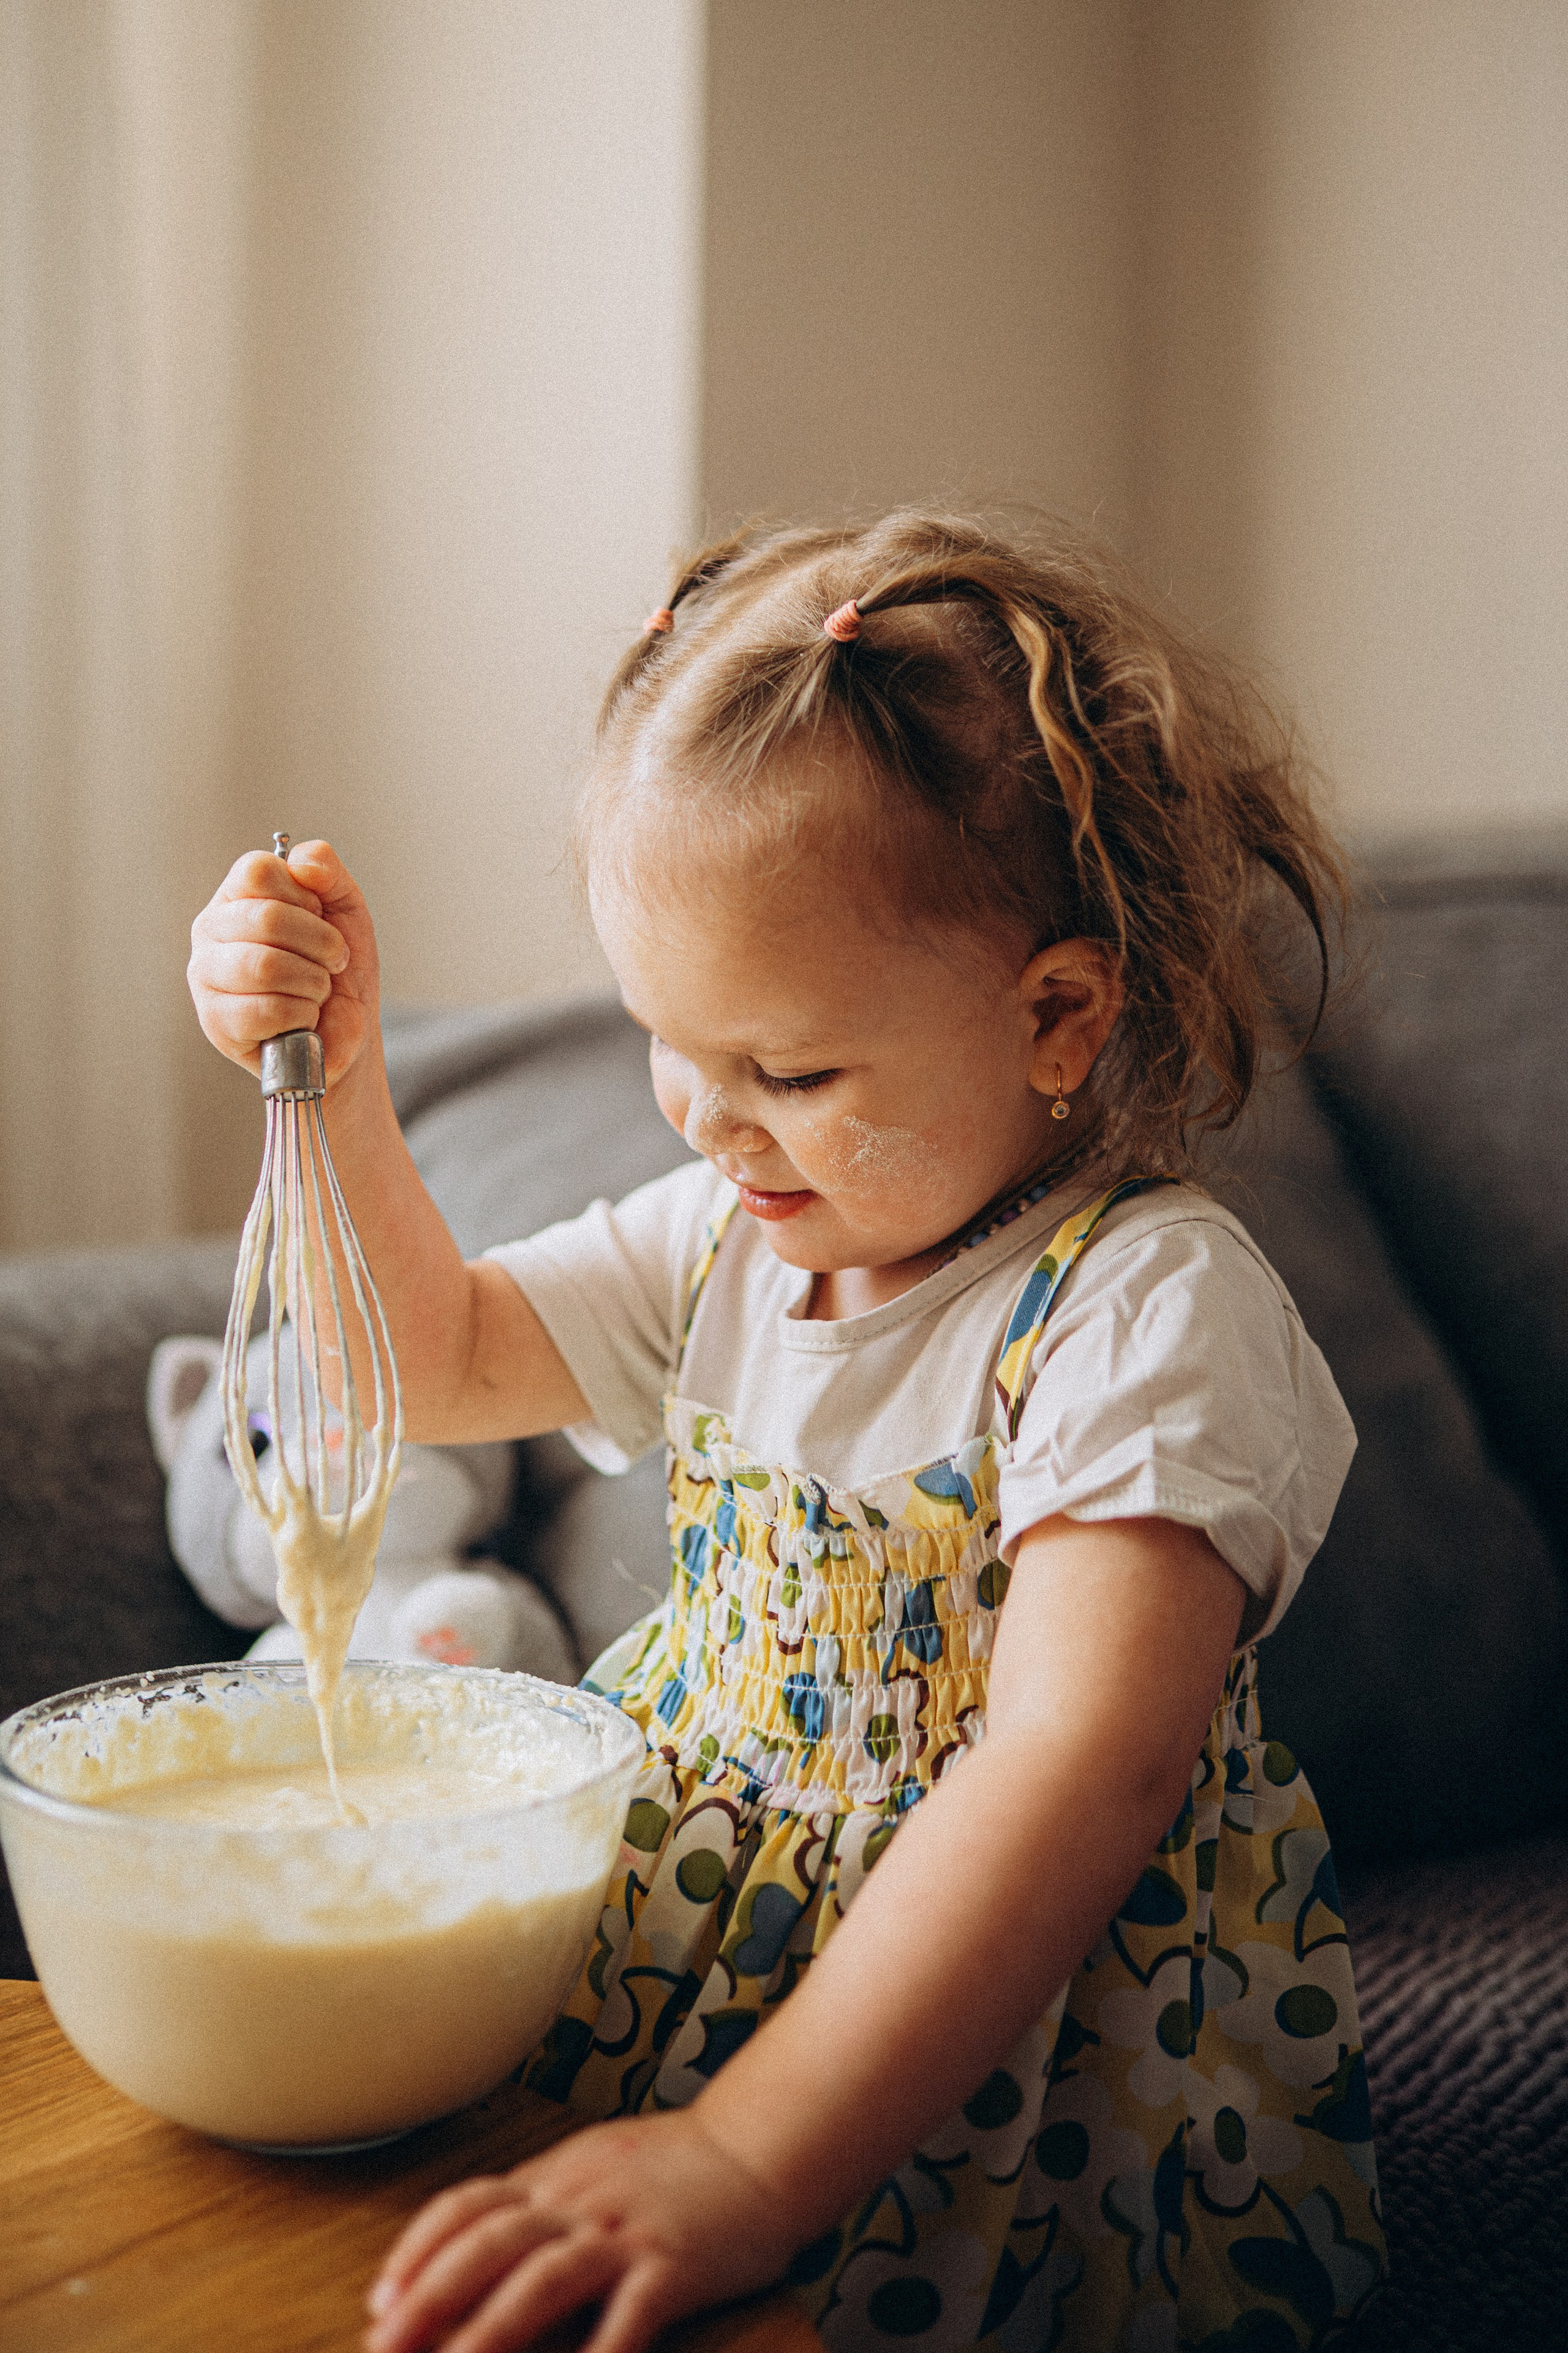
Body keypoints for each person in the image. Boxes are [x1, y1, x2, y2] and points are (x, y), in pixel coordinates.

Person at [188, 512, 1386, 2353]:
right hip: (679, 1983)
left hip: (996, 2083)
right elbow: (429, 1361)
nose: (711, 1125)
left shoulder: (1145, 1316)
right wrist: (333, 1086)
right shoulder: (733, 1237)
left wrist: (750, 2160)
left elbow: (1082, 1770)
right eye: (671, 1043)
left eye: (794, 1073)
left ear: (1058, 1012)